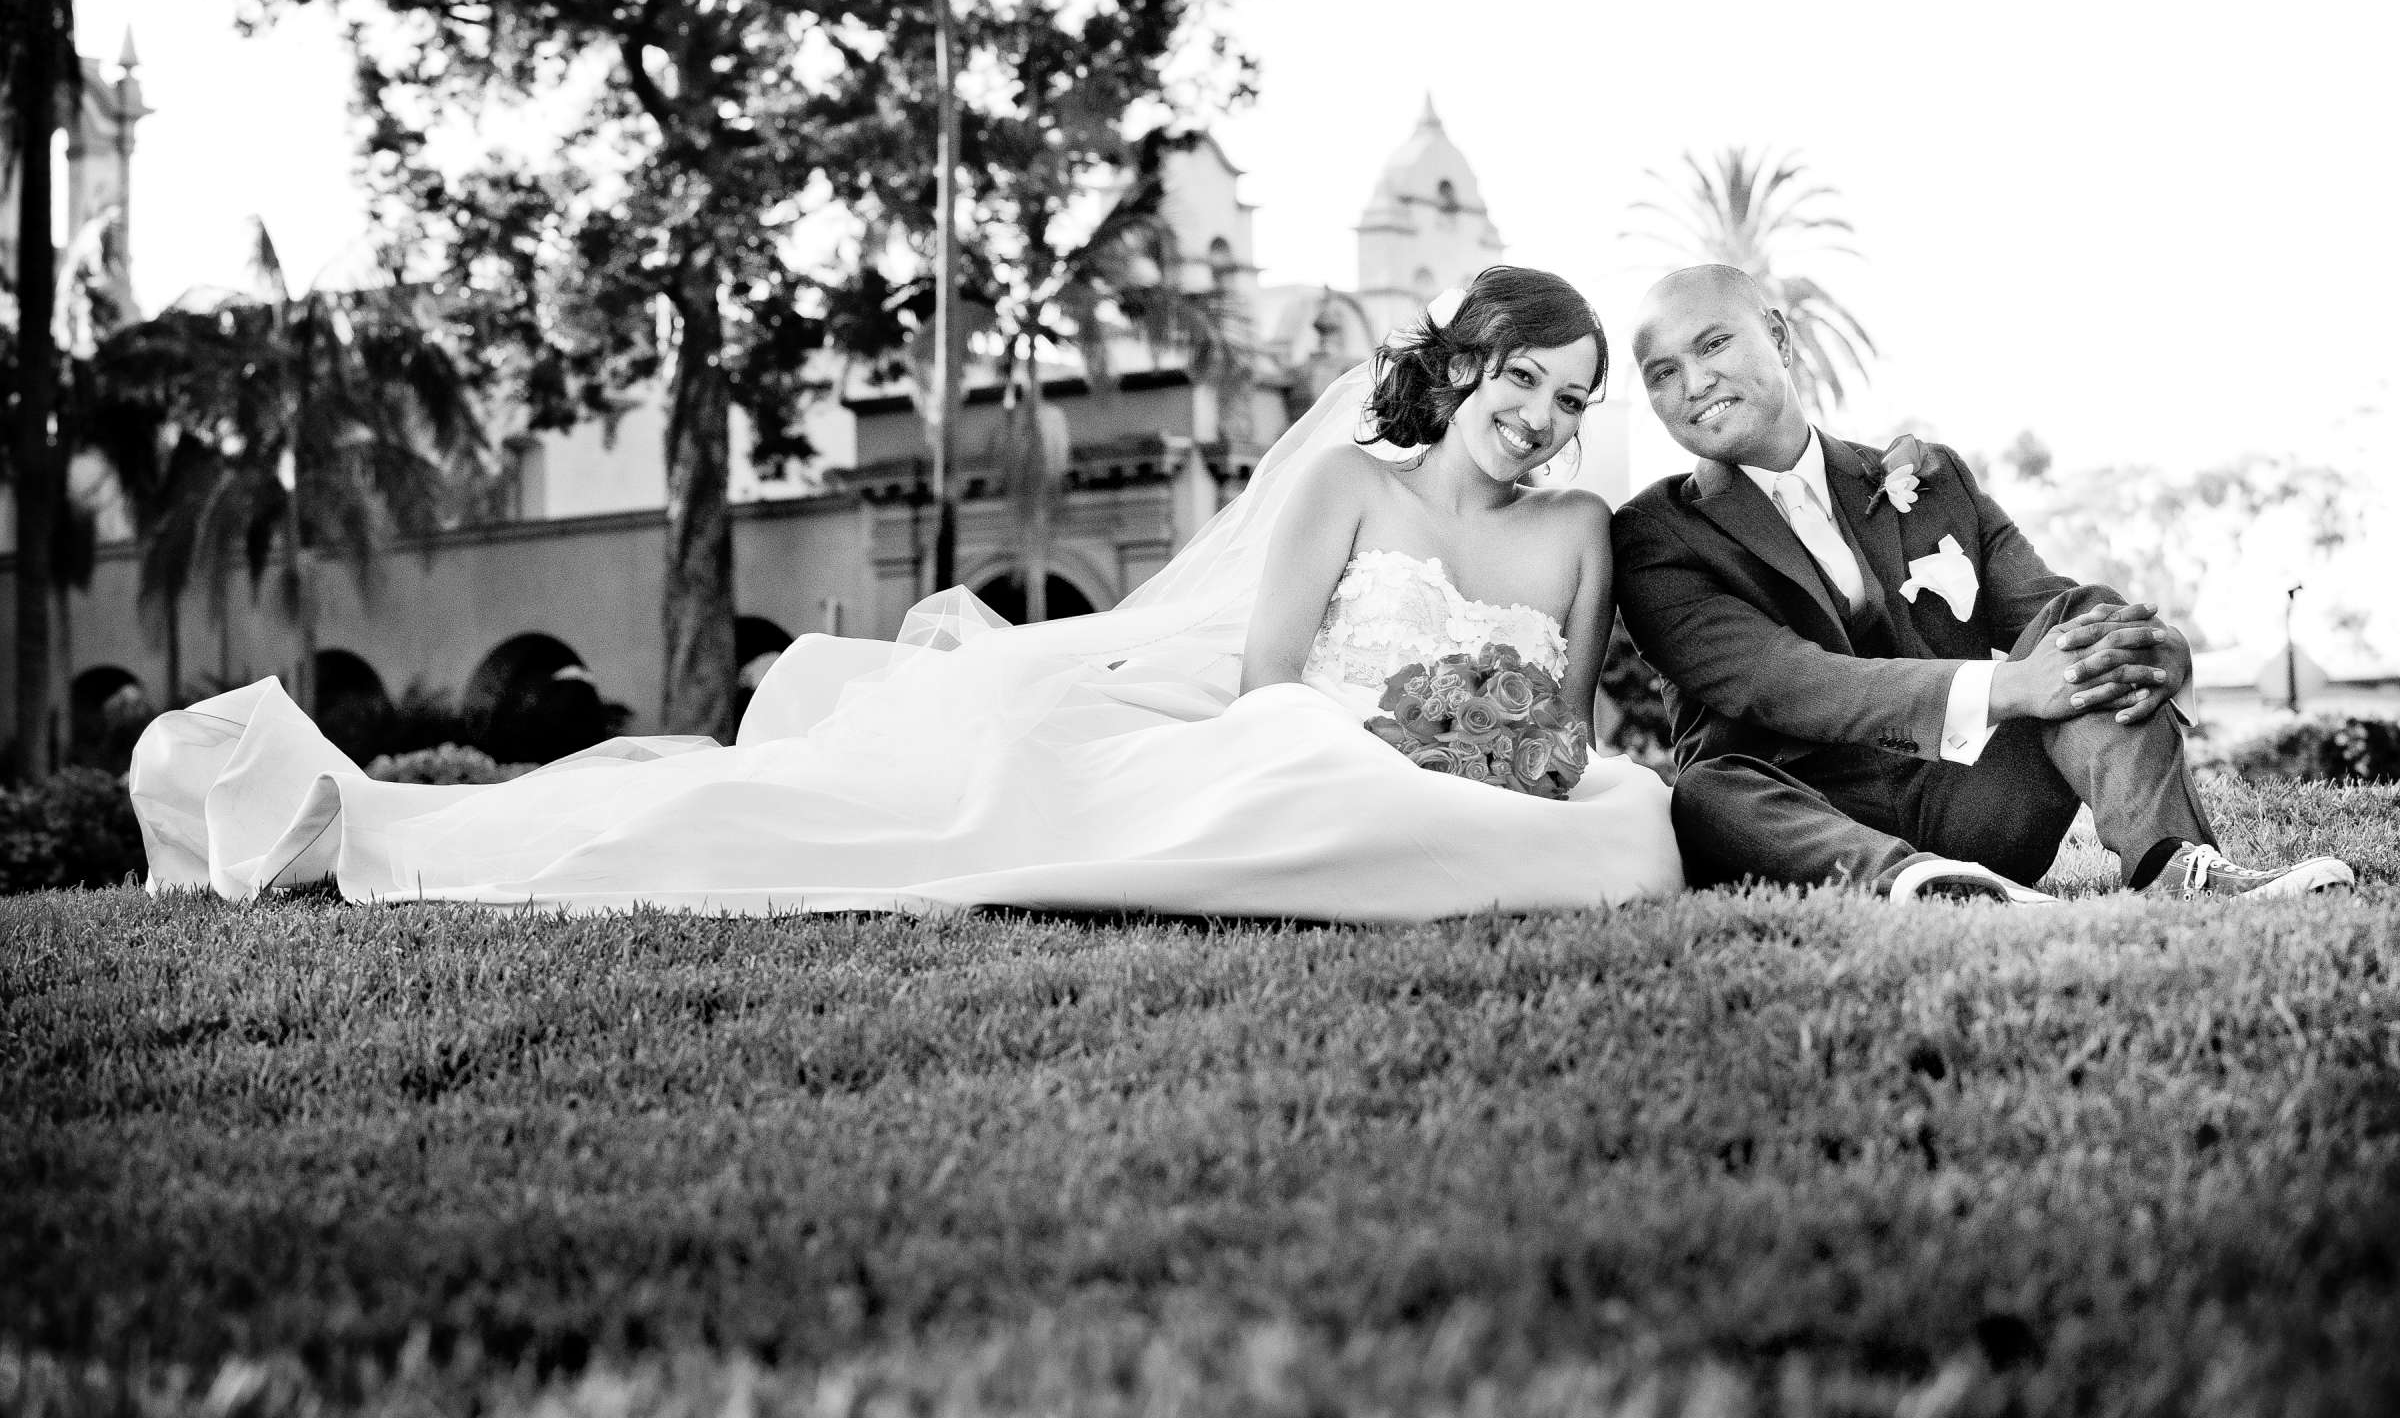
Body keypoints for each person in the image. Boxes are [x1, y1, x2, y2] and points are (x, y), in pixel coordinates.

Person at [130, 266, 1682, 918]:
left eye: (1571, 399)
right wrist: (1397, 737)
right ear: (1466, 365)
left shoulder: (1577, 532)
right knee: (1273, 769)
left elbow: (1568, 719)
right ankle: (350, 817)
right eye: (1523, 383)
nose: (1541, 420)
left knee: (1616, 813)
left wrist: (1502, 748)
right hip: (1303, 737)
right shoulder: (1350, 483)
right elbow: (1275, 681)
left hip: (1474, 778)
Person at [1611, 263, 2355, 904]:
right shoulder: (1655, 532)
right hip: (1798, 819)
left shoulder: (1929, 482)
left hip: (1975, 800)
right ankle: (1931, 886)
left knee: (2087, 618)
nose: (1694, 382)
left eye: (1713, 344)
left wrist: (2160, 654)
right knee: (1707, 790)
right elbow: (1786, 683)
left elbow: (2054, 618)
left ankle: (2177, 867)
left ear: (1778, 335)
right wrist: (2011, 689)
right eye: (1663, 373)